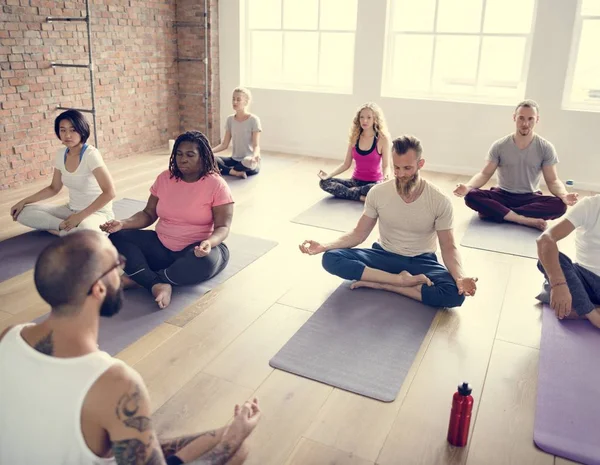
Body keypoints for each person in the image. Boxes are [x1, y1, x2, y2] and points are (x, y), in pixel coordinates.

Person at [0, 231, 261, 465]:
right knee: (238, 450)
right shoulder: (116, 383)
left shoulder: (8, 336)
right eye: (118, 264)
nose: (123, 271)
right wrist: (230, 441)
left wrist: (219, 436)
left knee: (217, 438)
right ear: (99, 288)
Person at [300, 135, 478, 308]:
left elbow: (448, 247)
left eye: (407, 168)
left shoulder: (439, 200)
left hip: (421, 261)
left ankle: (382, 283)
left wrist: (460, 277)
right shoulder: (378, 193)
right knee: (331, 258)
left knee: (454, 294)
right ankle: (399, 281)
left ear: (420, 164)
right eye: (397, 168)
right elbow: (358, 234)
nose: (401, 174)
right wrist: (324, 246)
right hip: (383, 255)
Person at [101, 131, 233, 310]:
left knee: (205, 263)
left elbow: (223, 226)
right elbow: (148, 214)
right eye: (178, 154)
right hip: (162, 248)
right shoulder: (165, 178)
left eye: (190, 155)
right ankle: (157, 283)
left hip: (198, 250)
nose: (182, 159)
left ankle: (142, 279)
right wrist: (123, 223)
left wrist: (209, 242)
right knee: (117, 237)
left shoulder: (216, 185)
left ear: (203, 157)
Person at [453, 100, 578, 231]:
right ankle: (523, 220)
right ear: (514, 118)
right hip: (502, 195)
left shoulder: (545, 148)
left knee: (559, 206)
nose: (525, 123)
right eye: (521, 118)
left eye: (530, 119)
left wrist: (564, 196)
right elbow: (485, 174)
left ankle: (498, 213)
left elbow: (552, 181)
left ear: (537, 120)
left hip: (529, 197)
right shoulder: (500, 145)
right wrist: (467, 187)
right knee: (471, 196)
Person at [9, 109, 116, 235]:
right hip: (70, 210)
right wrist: (24, 201)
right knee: (22, 212)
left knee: (83, 231)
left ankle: (63, 231)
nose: (67, 135)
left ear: (82, 130)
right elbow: (54, 188)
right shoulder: (61, 154)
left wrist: (80, 217)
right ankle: (62, 227)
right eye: (63, 130)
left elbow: (110, 193)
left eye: (73, 130)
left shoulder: (91, 154)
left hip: (97, 213)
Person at [536, 195, 600, 329]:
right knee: (551, 259)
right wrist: (558, 284)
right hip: (585, 279)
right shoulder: (590, 205)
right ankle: (593, 314)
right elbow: (545, 240)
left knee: (557, 297)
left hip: (581, 291)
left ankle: (579, 309)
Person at [318, 102, 392, 202]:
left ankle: (350, 193)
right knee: (324, 183)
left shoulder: (382, 139)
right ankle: (360, 197)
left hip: (373, 183)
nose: (364, 120)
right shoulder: (355, 137)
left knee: (375, 190)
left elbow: (386, 165)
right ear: (358, 119)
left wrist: (386, 178)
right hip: (355, 181)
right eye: (362, 117)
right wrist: (329, 175)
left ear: (375, 119)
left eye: (369, 117)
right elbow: (346, 164)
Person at [212, 87, 262, 179]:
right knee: (212, 160)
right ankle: (235, 172)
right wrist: (209, 151)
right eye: (233, 99)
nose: (235, 102)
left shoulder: (254, 120)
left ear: (246, 102)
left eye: (238, 100)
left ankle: (231, 170)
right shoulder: (230, 119)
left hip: (248, 161)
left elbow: (256, 145)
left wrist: (255, 156)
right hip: (234, 159)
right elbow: (224, 144)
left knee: (247, 162)